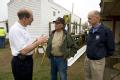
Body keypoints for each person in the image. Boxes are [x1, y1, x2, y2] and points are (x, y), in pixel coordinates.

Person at [9, 8, 47, 80]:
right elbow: (23, 51)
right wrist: (38, 42)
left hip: (26, 61)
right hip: (21, 62)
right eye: (31, 18)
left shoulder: (23, 28)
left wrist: (36, 40)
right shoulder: (16, 30)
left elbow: (25, 45)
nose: (33, 20)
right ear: (24, 18)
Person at [84, 10, 115, 80]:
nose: (88, 20)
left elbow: (111, 48)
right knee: (87, 77)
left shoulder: (107, 31)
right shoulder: (91, 30)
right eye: (88, 18)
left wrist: (100, 55)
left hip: (97, 62)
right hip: (87, 59)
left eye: (89, 18)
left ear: (97, 18)